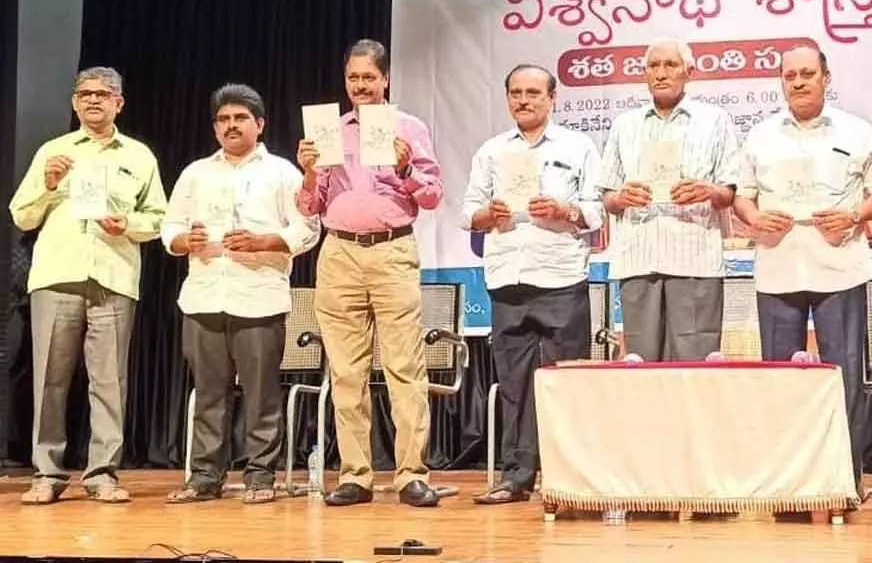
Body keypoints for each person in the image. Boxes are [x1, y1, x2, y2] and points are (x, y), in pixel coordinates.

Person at [732, 43, 872, 501]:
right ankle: (786, 479)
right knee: (780, 378)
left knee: (843, 377)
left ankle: (846, 476)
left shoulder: (857, 131)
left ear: (826, 76)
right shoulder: (760, 135)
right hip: (778, 267)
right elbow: (742, 196)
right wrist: (754, 217)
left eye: (807, 73)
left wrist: (855, 215)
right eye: (789, 76)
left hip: (839, 266)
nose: (798, 82)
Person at [8, 66, 167, 504]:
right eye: (84, 94)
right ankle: (47, 472)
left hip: (113, 276)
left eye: (103, 93)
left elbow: (158, 219)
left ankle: (102, 473)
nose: (93, 100)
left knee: (109, 380)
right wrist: (48, 185)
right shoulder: (52, 152)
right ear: (75, 103)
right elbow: (22, 215)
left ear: (119, 102)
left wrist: (128, 224)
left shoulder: (138, 156)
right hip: (58, 274)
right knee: (50, 379)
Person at [296, 39, 444, 507]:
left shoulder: (409, 129)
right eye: (352, 78)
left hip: (391, 251)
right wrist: (308, 173)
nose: (360, 86)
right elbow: (309, 207)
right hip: (338, 253)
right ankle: (355, 474)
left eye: (368, 77)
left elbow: (434, 195)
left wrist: (404, 169)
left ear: (385, 79)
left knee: (404, 367)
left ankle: (410, 474)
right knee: (345, 371)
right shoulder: (329, 130)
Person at [162, 83, 320, 504]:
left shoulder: (283, 172)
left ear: (260, 124)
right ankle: (204, 478)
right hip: (203, 296)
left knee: (261, 393)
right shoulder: (196, 172)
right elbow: (170, 227)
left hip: (259, 298)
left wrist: (265, 242)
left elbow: (308, 229)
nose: (231, 126)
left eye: (240, 118)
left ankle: (260, 475)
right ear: (215, 128)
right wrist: (184, 242)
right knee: (209, 393)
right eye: (224, 119)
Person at [462, 64, 602, 504]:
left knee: (566, 382)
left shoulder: (578, 145)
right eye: (516, 93)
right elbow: (469, 212)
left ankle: (567, 477)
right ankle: (516, 476)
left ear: (552, 98)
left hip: (560, 275)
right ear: (507, 99)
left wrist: (565, 209)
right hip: (508, 278)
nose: (524, 100)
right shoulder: (490, 151)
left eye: (533, 93)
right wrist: (490, 215)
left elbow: (597, 208)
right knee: (515, 383)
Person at [598, 39, 740, 362]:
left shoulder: (714, 120)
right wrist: (622, 197)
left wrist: (707, 190)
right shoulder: (625, 125)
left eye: (670, 65)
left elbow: (730, 192)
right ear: (644, 74)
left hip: (695, 259)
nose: (660, 73)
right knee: (641, 364)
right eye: (653, 66)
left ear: (690, 72)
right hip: (639, 259)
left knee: (694, 364)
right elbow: (607, 197)